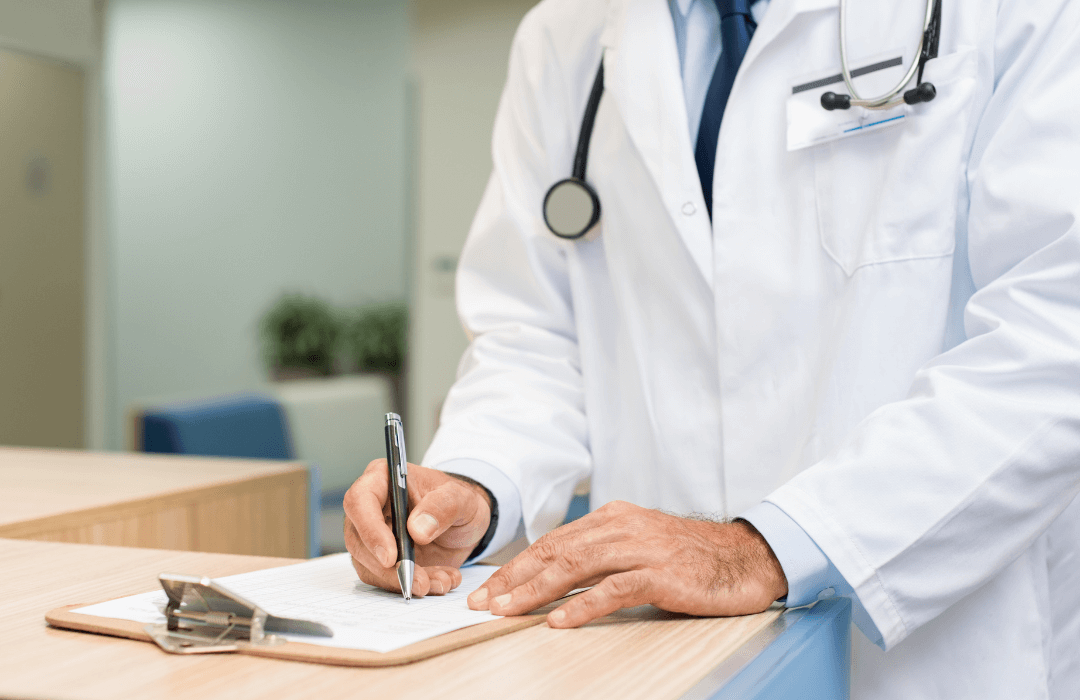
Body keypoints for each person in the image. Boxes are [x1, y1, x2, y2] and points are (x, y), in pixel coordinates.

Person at [344, 0, 1080, 696]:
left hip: (931, 650)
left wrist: (763, 547)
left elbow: (1053, 341)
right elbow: (531, 335)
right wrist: (474, 484)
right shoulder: (564, 34)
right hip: (654, 653)